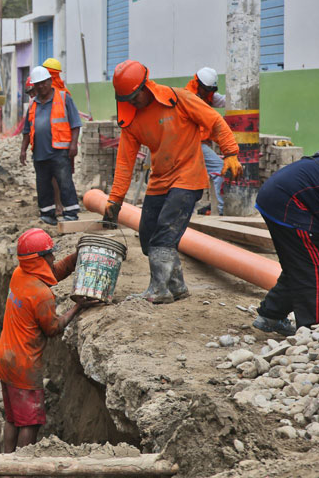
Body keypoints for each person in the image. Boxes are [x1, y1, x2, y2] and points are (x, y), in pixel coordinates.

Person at [102, 60, 242, 303]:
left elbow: (215, 122)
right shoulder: (132, 121)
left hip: (188, 178)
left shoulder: (179, 99)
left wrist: (230, 153)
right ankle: (176, 286)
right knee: (148, 237)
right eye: (127, 100)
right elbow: (125, 163)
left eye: (135, 97)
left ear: (146, 87)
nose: (132, 103)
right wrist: (115, 200)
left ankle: (158, 291)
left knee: (165, 234)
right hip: (159, 181)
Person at [0, 228, 86, 451]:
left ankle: (5, 468)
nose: (53, 257)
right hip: (24, 365)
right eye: (49, 254)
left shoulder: (20, 274)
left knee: (12, 419)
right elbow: (53, 328)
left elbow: (51, 273)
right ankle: (22, 470)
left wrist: (75, 258)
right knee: (30, 422)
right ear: (39, 259)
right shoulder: (41, 294)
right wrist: (78, 307)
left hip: (6, 357)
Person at [251, 152, 319, 336]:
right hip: (290, 202)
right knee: (312, 268)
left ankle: (270, 315)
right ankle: (312, 332)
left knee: (300, 263)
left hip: (280, 195)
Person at [20, 66, 82, 225]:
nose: (41, 86)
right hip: (39, 152)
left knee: (64, 181)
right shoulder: (33, 104)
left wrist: (73, 145)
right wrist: (23, 150)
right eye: (37, 84)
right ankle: (47, 213)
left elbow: (75, 123)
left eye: (43, 83)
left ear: (49, 81)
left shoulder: (63, 98)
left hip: (59, 150)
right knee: (43, 184)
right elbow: (27, 129)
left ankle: (71, 212)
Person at [185, 67, 227, 214]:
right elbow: (210, 121)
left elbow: (222, 100)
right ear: (199, 85)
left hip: (199, 143)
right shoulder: (188, 98)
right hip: (191, 144)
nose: (210, 94)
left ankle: (192, 211)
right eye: (208, 90)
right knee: (220, 169)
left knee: (191, 178)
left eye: (211, 91)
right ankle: (221, 211)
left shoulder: (207, 94)